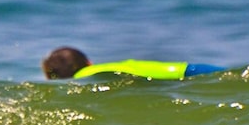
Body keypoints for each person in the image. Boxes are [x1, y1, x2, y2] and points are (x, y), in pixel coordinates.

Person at [42, 46, 225, 80]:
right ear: (89, 62)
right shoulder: (94, 71)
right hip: (186, 70)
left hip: (184, 74)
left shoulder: (85, 77)